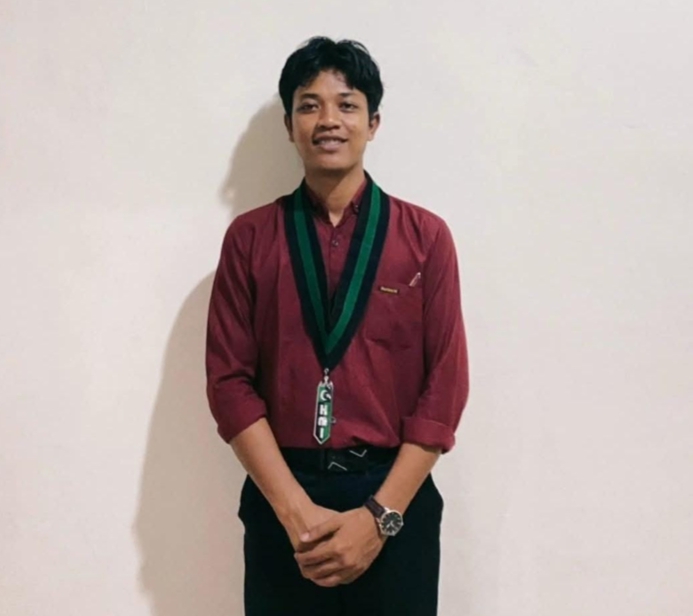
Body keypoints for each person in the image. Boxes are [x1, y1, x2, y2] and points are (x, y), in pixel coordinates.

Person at [205, 36, 469, 616]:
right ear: (289, 125)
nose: (328, 120)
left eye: (346, 105)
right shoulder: (249, 240)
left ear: (373, 123)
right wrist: (295, 512)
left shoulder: (425, 238)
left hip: (393, 499)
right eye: (309, 105)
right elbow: (229, 384)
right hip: (284, 500)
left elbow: (445, 388)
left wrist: (379, 518)